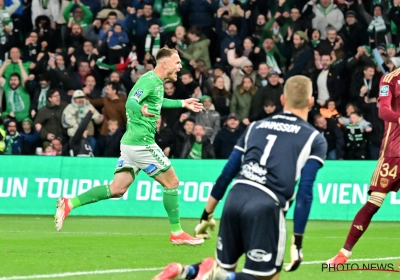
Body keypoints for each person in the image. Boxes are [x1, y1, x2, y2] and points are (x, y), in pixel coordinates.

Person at [154, 76, 327, 280]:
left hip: (234, 199)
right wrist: (297, 242)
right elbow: (305, 193)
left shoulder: (255, 127)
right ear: (311, 102)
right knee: (265, 277)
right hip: (266, 206)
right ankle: (215, 275)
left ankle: (188, 271)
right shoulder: (315, 138)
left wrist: (206, 214)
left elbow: (228, 172)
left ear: (282, 100)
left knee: (226, 268)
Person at [55, 47, 204, 246]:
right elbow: (131, 102)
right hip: (142, 143)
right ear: (165, 64)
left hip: (130, 144)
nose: (180, 66)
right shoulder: (148, 80)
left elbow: (157, 102)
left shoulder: (157, 83)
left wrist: (182, 103)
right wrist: (139, 108)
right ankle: (176, 232)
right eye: (177, 63)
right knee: (172, 183)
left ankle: (69, 203)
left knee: (117, 189)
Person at [327, 68, 400, 266]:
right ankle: (344, 253)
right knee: (374, 203)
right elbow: (383, 110)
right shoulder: (390, 79)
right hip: (393, 151)